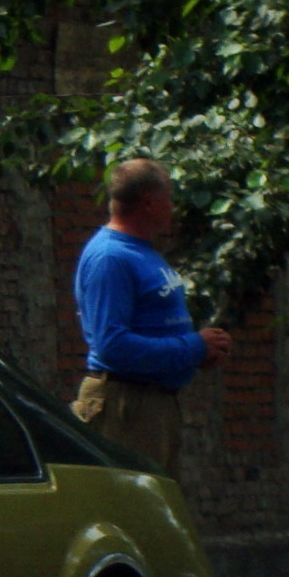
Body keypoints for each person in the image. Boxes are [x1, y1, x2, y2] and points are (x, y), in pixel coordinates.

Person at [69, 158, 230, 473]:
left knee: (157, 512)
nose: (173, 207)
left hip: (150, 406)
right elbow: (112, 346)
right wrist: (194, 347)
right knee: (133, 514)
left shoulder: (141, 251)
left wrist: (196, 355)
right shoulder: (110, 258)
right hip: (126, 408)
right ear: (149, 203)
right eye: (168, 197)